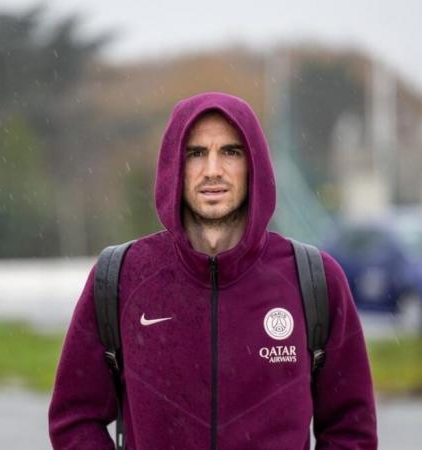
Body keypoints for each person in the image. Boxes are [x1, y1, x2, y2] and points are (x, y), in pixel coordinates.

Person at [48, 92, 377, 449]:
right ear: (175, 164)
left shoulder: (313, 281)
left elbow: (351, 428)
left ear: (254, 164)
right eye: (196, 153)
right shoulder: (122, 278)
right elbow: (75, 418)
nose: (213, 170)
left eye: (231, 152)